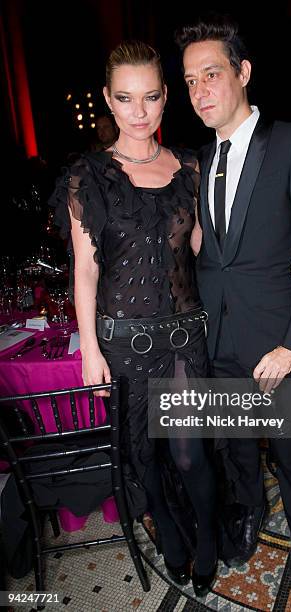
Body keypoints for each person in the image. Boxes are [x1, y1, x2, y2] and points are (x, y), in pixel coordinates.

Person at [49, 40, 218, 597]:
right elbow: (86, 271)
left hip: (183, 337)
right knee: (143, 457)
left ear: (166, 97)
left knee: (190, 453)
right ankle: (168, 531)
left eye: (150, 97)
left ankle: (208, 536)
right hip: (120, 343)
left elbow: (201, 249)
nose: (139, 112)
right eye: (125, 98)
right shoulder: (88, 177)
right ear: (108, 99)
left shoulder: (191, 166)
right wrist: (90, 350)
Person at [175, 15, 291, 592]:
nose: (200, 91)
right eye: (190, 81)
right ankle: (247, 517)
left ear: (243, 72)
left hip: (276, 343)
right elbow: (208, 251)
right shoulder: (198, 160)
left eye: (211, 74)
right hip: (216, 340)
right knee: (236, 445)